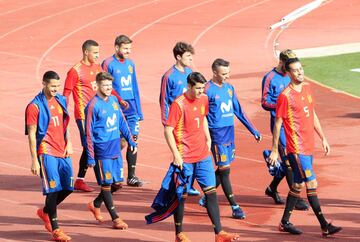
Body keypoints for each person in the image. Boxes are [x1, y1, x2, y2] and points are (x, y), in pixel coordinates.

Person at [268, 58, 342, 236]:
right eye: (295, 70)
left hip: (309, 146)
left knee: (298, 185)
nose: (300, 72)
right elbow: (278, 123)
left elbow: (313, 113)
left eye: (301, 69)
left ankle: (285, 222)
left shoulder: (307, 88)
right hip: (297, 149)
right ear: (289, 74)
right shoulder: (285, 96)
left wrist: (323, 137)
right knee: (312, 183)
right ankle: (324, 226)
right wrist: (275, 149)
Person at [164, 72, 240, 242]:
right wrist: (176, 155)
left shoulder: (204, 99)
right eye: (197, 88)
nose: (200, 91)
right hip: (186, 158)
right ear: (189, 86)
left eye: (202, 88)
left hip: (203, 155)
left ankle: (219, 233)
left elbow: (203, 118)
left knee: (211, 193)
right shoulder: (179, 104)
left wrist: (208, 137)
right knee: (181, 195)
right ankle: (179, 234)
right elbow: (168, 130)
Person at [198, 58, 261, 219]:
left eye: (228, 72)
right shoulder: (206, 90)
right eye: (224, 73)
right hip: (216, 134)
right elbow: (200, 114)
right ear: (214, 73)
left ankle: (207, 196)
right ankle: (235, 206)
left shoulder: (229, 88)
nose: (227, 76)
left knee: (222, 169)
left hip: (229, 133)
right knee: (225, 170)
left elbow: (238, 110)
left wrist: (253, 129)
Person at [85, 72, 137, 229]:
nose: (108, 88)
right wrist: (90, 156)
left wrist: (130, 140)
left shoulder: (114, 101)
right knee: (106, 183)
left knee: (117, 184)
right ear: (97, 86)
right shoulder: (93, 106)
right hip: (102, 149)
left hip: (115, 147)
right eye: (105, 85)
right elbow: (87, 132)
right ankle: (116, 218)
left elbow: (122, 122)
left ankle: (95, 204)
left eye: (109, 85)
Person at [26, 71, 74, 241]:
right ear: (44, 84)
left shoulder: (60, 100)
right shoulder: (34, 106)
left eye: (58, 86)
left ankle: (45, 211)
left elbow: (64, 124)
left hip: (62, 149)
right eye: (53, 86)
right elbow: (32, 134)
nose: (56, 89)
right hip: (46, 151)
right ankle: (56, 229)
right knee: (53, 189)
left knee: (68, 187)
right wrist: (34, 160)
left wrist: (69, 142)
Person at [261, 49, 308, 210]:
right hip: (279, 125)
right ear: (281, 62)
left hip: (294, 124)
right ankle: (296, 197)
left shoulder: (291, 77)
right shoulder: (270, 78)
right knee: (289, 162)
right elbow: (264, 102)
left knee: (295, 159)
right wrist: (282, 106)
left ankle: (272, 188)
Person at [102, 35, 144, 187]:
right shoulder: (108, 63)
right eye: (125, 48)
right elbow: (104, 85)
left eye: (130, 49)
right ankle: (111, 169)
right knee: (119, 142)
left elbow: (134, 86)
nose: (128, 51)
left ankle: (131, 176)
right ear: (117, 47)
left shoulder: (131, 64)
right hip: (116, 109)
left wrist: (139, 111)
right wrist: (117, 101)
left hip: (131, 109)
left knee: (133, 139)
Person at [159, 41, 199, 196]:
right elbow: (163, 100)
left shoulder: (190, 72)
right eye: (188, 56)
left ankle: (187, 183)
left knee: (193, 151)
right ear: (178, 57)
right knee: (181, 153)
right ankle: (176, 184)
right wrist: (166, 123)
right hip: (177, 122)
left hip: (191, 119)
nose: (191, 59)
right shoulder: (169, 76)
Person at [63, 39, 102, 192]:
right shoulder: (75, 71)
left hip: (98, 113)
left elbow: (105, 87)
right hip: (83, 115)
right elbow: (66, 94)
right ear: (86, 52)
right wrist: (62, 114)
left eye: (99, 52)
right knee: (89, 145)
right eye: (95, 52)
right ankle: (97, 180)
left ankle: (82, 179)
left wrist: (118, 100)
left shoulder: (98, 67)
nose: (98, 55)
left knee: (95, 144)